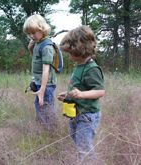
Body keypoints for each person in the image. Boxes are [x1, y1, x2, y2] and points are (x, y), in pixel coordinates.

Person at [58, 25, 105, 163]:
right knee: (78, 142)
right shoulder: (80, 66)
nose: (69, 55)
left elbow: (100, 91)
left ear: (80, 50)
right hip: (76, 114)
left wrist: (81, 95)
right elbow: (79, 89)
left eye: (70, 52)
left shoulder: (92, 69)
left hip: (87, 115)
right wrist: (68, 95)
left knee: (84, 147)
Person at [23, 14, 57, 130]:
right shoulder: (37, 43)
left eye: (34, 32)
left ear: (42, 29)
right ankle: (42, 128)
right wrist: (30, 48)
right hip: (40, 83)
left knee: (46, 106)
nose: (31, 36)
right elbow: (36, 60)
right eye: (29, 33)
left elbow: (46, 69)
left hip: (46, 85)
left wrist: (42, 89)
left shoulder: (47, 47)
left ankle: (50, 130)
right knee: (39, 105)